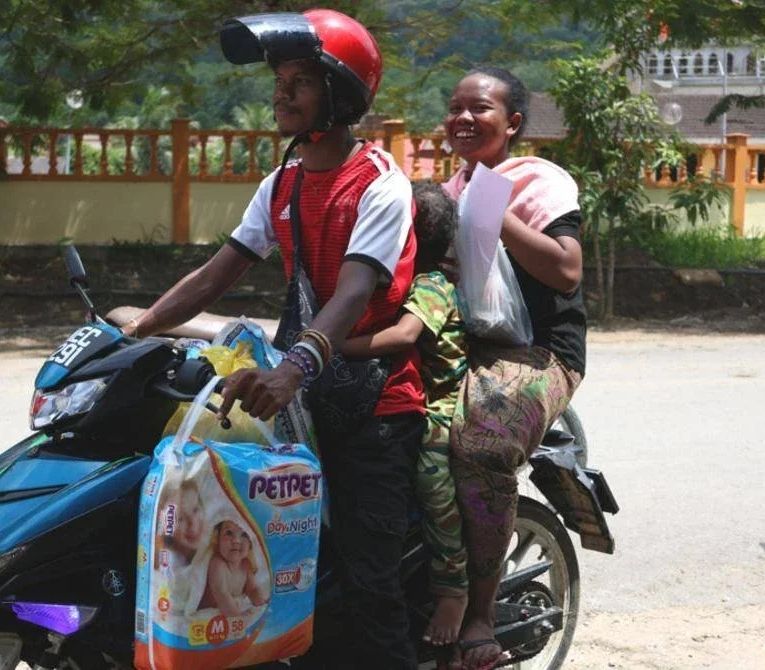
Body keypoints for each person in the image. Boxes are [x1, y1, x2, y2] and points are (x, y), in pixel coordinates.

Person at [121, 9, 425, 667]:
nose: (280, 94)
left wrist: (291, 368)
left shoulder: (379, 183)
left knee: (372, 584)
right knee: (296, 574)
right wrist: (139, 328)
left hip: (375, 407)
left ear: (339, 93)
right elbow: (219, 271)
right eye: (279, 80)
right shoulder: (282, 181)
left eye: (300, 82)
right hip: (306, 405)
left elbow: (352, 293)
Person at [441, 67, 587, 670]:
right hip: (465, 345)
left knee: (478, 444)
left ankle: (477, 617)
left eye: (480, 109)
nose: (465, 119)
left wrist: (493, 210)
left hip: (539, 352)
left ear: (513, 124)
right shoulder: (446, 191)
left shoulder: (538, 182)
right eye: (455, 109)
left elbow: (567, 270)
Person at [341, 181, 469, 648]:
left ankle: (453, 590)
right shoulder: (400, 280)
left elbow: (403, 336)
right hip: (408, 394)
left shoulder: (431, 285)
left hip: (443, 400)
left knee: (433, 477)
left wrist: (331, 345)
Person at [198, 520, 268, 616]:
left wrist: (260, 601)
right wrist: (237, 617)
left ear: (251, 543)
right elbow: (222, 595)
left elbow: (252, 589)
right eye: (229, 533)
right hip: (213, 610)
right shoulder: (217, 564)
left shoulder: (245, 565)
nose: (236, 540)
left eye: (244, 535)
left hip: (230, 608)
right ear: (217, 539)